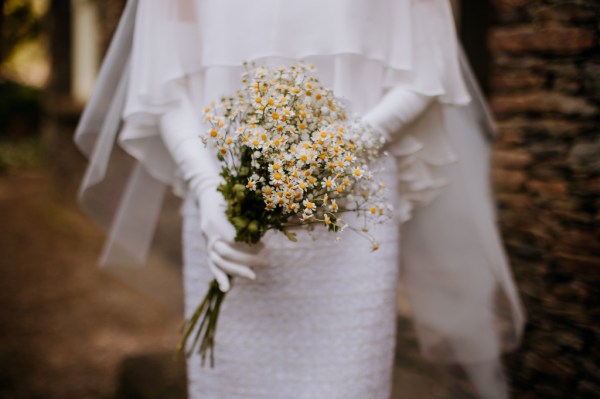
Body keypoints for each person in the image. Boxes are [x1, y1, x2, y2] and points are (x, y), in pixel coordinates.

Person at [75, 0, 525, 398]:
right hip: (227, 202)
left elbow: (429, 74)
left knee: (348, 383)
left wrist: (329, 163)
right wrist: (207, 187)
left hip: (351, 209)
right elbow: (161, 83)